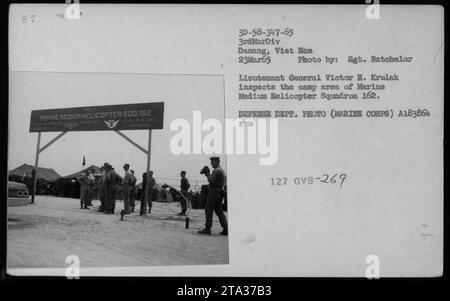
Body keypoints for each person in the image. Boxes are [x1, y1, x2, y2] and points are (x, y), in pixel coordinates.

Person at [198, 157, 228, 235]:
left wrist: (207, 174)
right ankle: (226, 228)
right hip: (219, 193)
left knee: (208, 209)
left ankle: (208, 228)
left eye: (212, 162)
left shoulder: (217, 171)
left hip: (214, 193)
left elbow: (211, 181)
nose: (211, 164)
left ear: (216, 162)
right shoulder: (221, 170)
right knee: (219, 210)